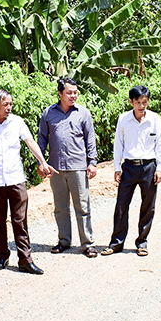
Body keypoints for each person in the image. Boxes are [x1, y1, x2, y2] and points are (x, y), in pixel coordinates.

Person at [0, 89, 57, 274]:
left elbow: (30, 142)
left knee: (20, 220)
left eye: (11, 104)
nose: (9, 107)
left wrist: (42, 162)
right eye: (5, 104)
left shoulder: (17, 122)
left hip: (16, 178)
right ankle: (1, 257)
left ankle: (25, 260)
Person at [37, 77, 99, 258]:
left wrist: (92, 162)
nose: (73, 96)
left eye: (75, 92)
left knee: (82, 206)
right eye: (69, 92)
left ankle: (87, 244)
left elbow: (90, 139)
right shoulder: (49, 113)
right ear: (60, 93)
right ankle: (64, 241)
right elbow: (42, 139)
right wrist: (41, 162)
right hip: (56, 168)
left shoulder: (83, 113)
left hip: (78, 166)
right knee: (60, 207)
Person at [102, 86, 161, 257]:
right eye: (138, 102)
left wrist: (160, 168)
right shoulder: (124, 119)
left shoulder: (154, 119)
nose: (142, 106)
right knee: (121, 205)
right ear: (131, 102)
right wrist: (117, 168)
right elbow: (118, 144)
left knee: (148, 206)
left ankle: (142, 242)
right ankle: (116, 243)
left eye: (145, 102)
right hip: (129, 167)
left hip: (149, 167)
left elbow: (160, 145)